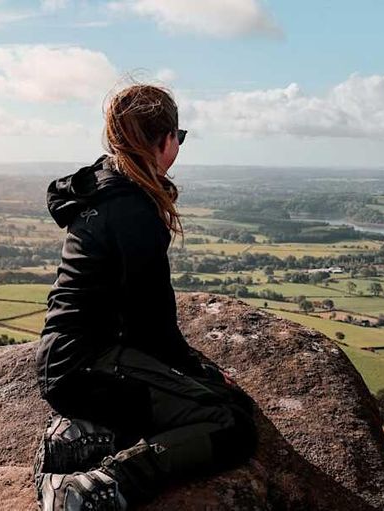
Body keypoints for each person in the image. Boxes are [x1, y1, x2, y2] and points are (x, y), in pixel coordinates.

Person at [33, 84, 258, 511]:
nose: (179, 146)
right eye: (180, 137)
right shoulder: (132, 211)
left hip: (69, 360)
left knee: (189, 397)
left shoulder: (103, 186)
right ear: (164, 140)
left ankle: (82, 435)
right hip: (89, 365)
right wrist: (203, 375)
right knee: (229, 421)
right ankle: (97, 488)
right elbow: (152, 325)